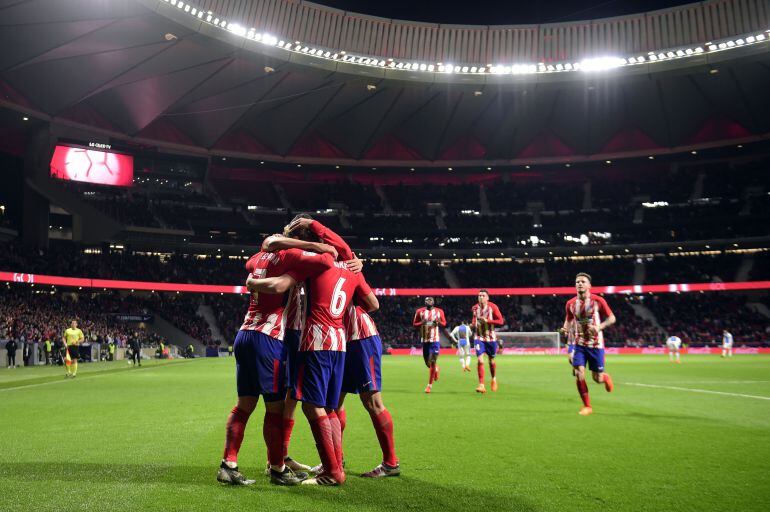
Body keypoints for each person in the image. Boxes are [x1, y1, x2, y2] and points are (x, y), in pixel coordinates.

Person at [247, 245, 379, 486]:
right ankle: (280, 459)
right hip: (298, 334)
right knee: (292, 398)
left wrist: (355, 260)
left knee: (305, 400)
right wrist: (354, 262)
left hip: (306, 334)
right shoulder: (293, 256)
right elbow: (269, 246)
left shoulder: (314, 261)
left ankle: (328, 466)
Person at [218, 238, 338, 487]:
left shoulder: (259, 258)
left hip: (244, 334)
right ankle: (277, 468)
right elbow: (327, 259)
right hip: (268, 338)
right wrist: (317, 247)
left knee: (244, 406)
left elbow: (252, 260)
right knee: (275, 408)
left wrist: (254, 278)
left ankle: (228, 465)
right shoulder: (289, 257)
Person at [562, 273, 616, 416]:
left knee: (597, 378)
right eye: (577, 281)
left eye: (583, 281)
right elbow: (568, 319)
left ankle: (605, 378)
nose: (579, 283)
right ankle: (587, 406)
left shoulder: (598, 301)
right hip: (579, 344)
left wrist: (599, 327)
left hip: (596, 345)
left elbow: (612, 318)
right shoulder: (570, 304)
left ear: (589, 285)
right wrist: (565, 328)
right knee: (579, 373)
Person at [471, 290, 504, 393]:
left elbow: (500, 321)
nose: (481, 297)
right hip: (479, 337)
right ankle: (481, 385)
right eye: (479, 295)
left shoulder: (493, 307)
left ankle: (493, 378)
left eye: (483, 295)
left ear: (487, 298)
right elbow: (474, 319)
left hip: (491, 338)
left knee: (491, 361)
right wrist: (472, 324)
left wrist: (487, 321)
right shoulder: (474, 308)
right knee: (480, 360)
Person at [413, 297, 446, 394]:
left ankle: (429, 386)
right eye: (427, 300)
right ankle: (436, 368)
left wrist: (438, 322)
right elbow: (414, 324)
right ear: (424, 302)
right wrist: (421, 323)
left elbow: (444, 323)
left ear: (434, 302)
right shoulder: (420, 311)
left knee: (432, 361)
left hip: (435, 340)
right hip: (425, 340)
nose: (428, 301)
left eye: (430, 300)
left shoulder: (439, 311)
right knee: (428, 364)